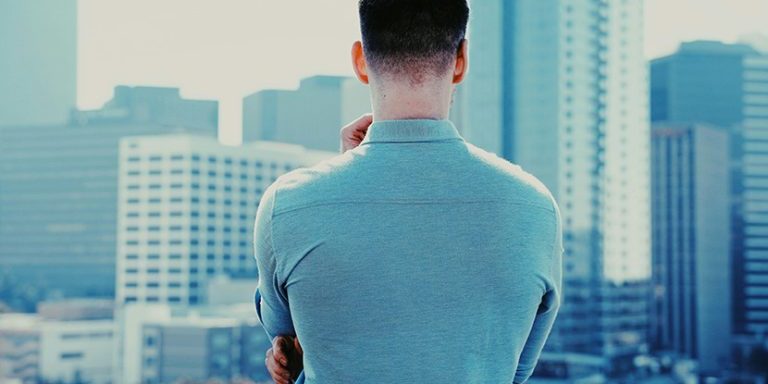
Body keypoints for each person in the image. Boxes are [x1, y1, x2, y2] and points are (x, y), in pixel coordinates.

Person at [254, 0, 563, 383]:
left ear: (359, 60)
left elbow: (290, 345)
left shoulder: (287, 206)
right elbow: (513, 371)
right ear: (462, 59)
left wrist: (349, 178)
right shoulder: (534, 208)